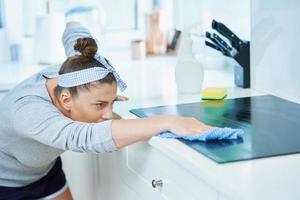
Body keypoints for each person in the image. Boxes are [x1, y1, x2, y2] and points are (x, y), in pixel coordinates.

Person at [0, 22, 214, 200]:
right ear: (66, 100)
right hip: (6, 184)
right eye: (100, 105)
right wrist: (167, 121)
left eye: (111, 103)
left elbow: (73, 29)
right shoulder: (27, 110)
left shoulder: (76, 70)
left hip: (44, 171)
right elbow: (83, 137)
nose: (109, 114)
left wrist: (100, 100)